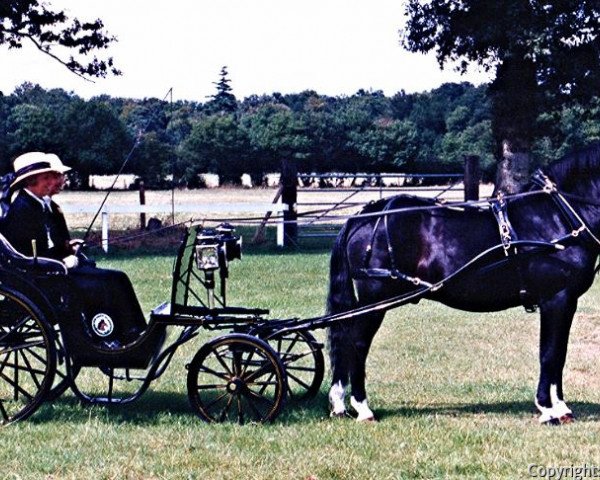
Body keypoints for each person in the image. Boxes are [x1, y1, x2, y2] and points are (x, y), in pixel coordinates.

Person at [1, 152, 146, 348]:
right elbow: (26, 256)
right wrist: (62, 263)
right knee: (104, 283)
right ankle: (110, 336)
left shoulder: (41, 205)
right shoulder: (22, 210)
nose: (52, 181)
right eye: (46, 178)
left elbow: (49, 242)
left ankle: (135, 332)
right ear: (30, 182)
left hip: (53, 272)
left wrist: (67, 248)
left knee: (117, 277)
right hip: (41, 281)